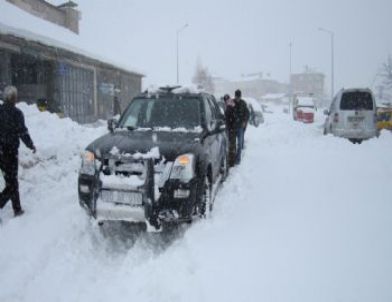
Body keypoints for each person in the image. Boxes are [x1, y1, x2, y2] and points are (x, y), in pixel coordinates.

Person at [0, 86, 36, 217]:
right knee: (12, 182)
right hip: (9, 152)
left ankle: (17, 208)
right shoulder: (16, 113)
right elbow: (22, 132)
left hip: (1, 152)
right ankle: (14, 207)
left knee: (10, 181)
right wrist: (30, 145)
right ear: (13, 98)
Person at [233, 89, 249, 164]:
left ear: (240, 96)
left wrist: (244, 122)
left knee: (239, 143)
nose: (237, 99)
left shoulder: (243, 103)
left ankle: (238, 159)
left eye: (239, 97)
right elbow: (228, 113)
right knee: (232, 144)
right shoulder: (231, 102)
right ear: (235, 96)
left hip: (240, 127)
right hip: (232, 127)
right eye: (236, 97)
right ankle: (232, 158)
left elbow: (247, 114)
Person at [224, 94, 237, 167]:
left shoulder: (229, 107)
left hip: (231, 128)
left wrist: (228, 125)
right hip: (233, 128)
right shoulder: (232, 104)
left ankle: (231, 162)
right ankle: (232, 160)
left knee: (231, 145)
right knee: (232, 145)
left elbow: (228, 118)